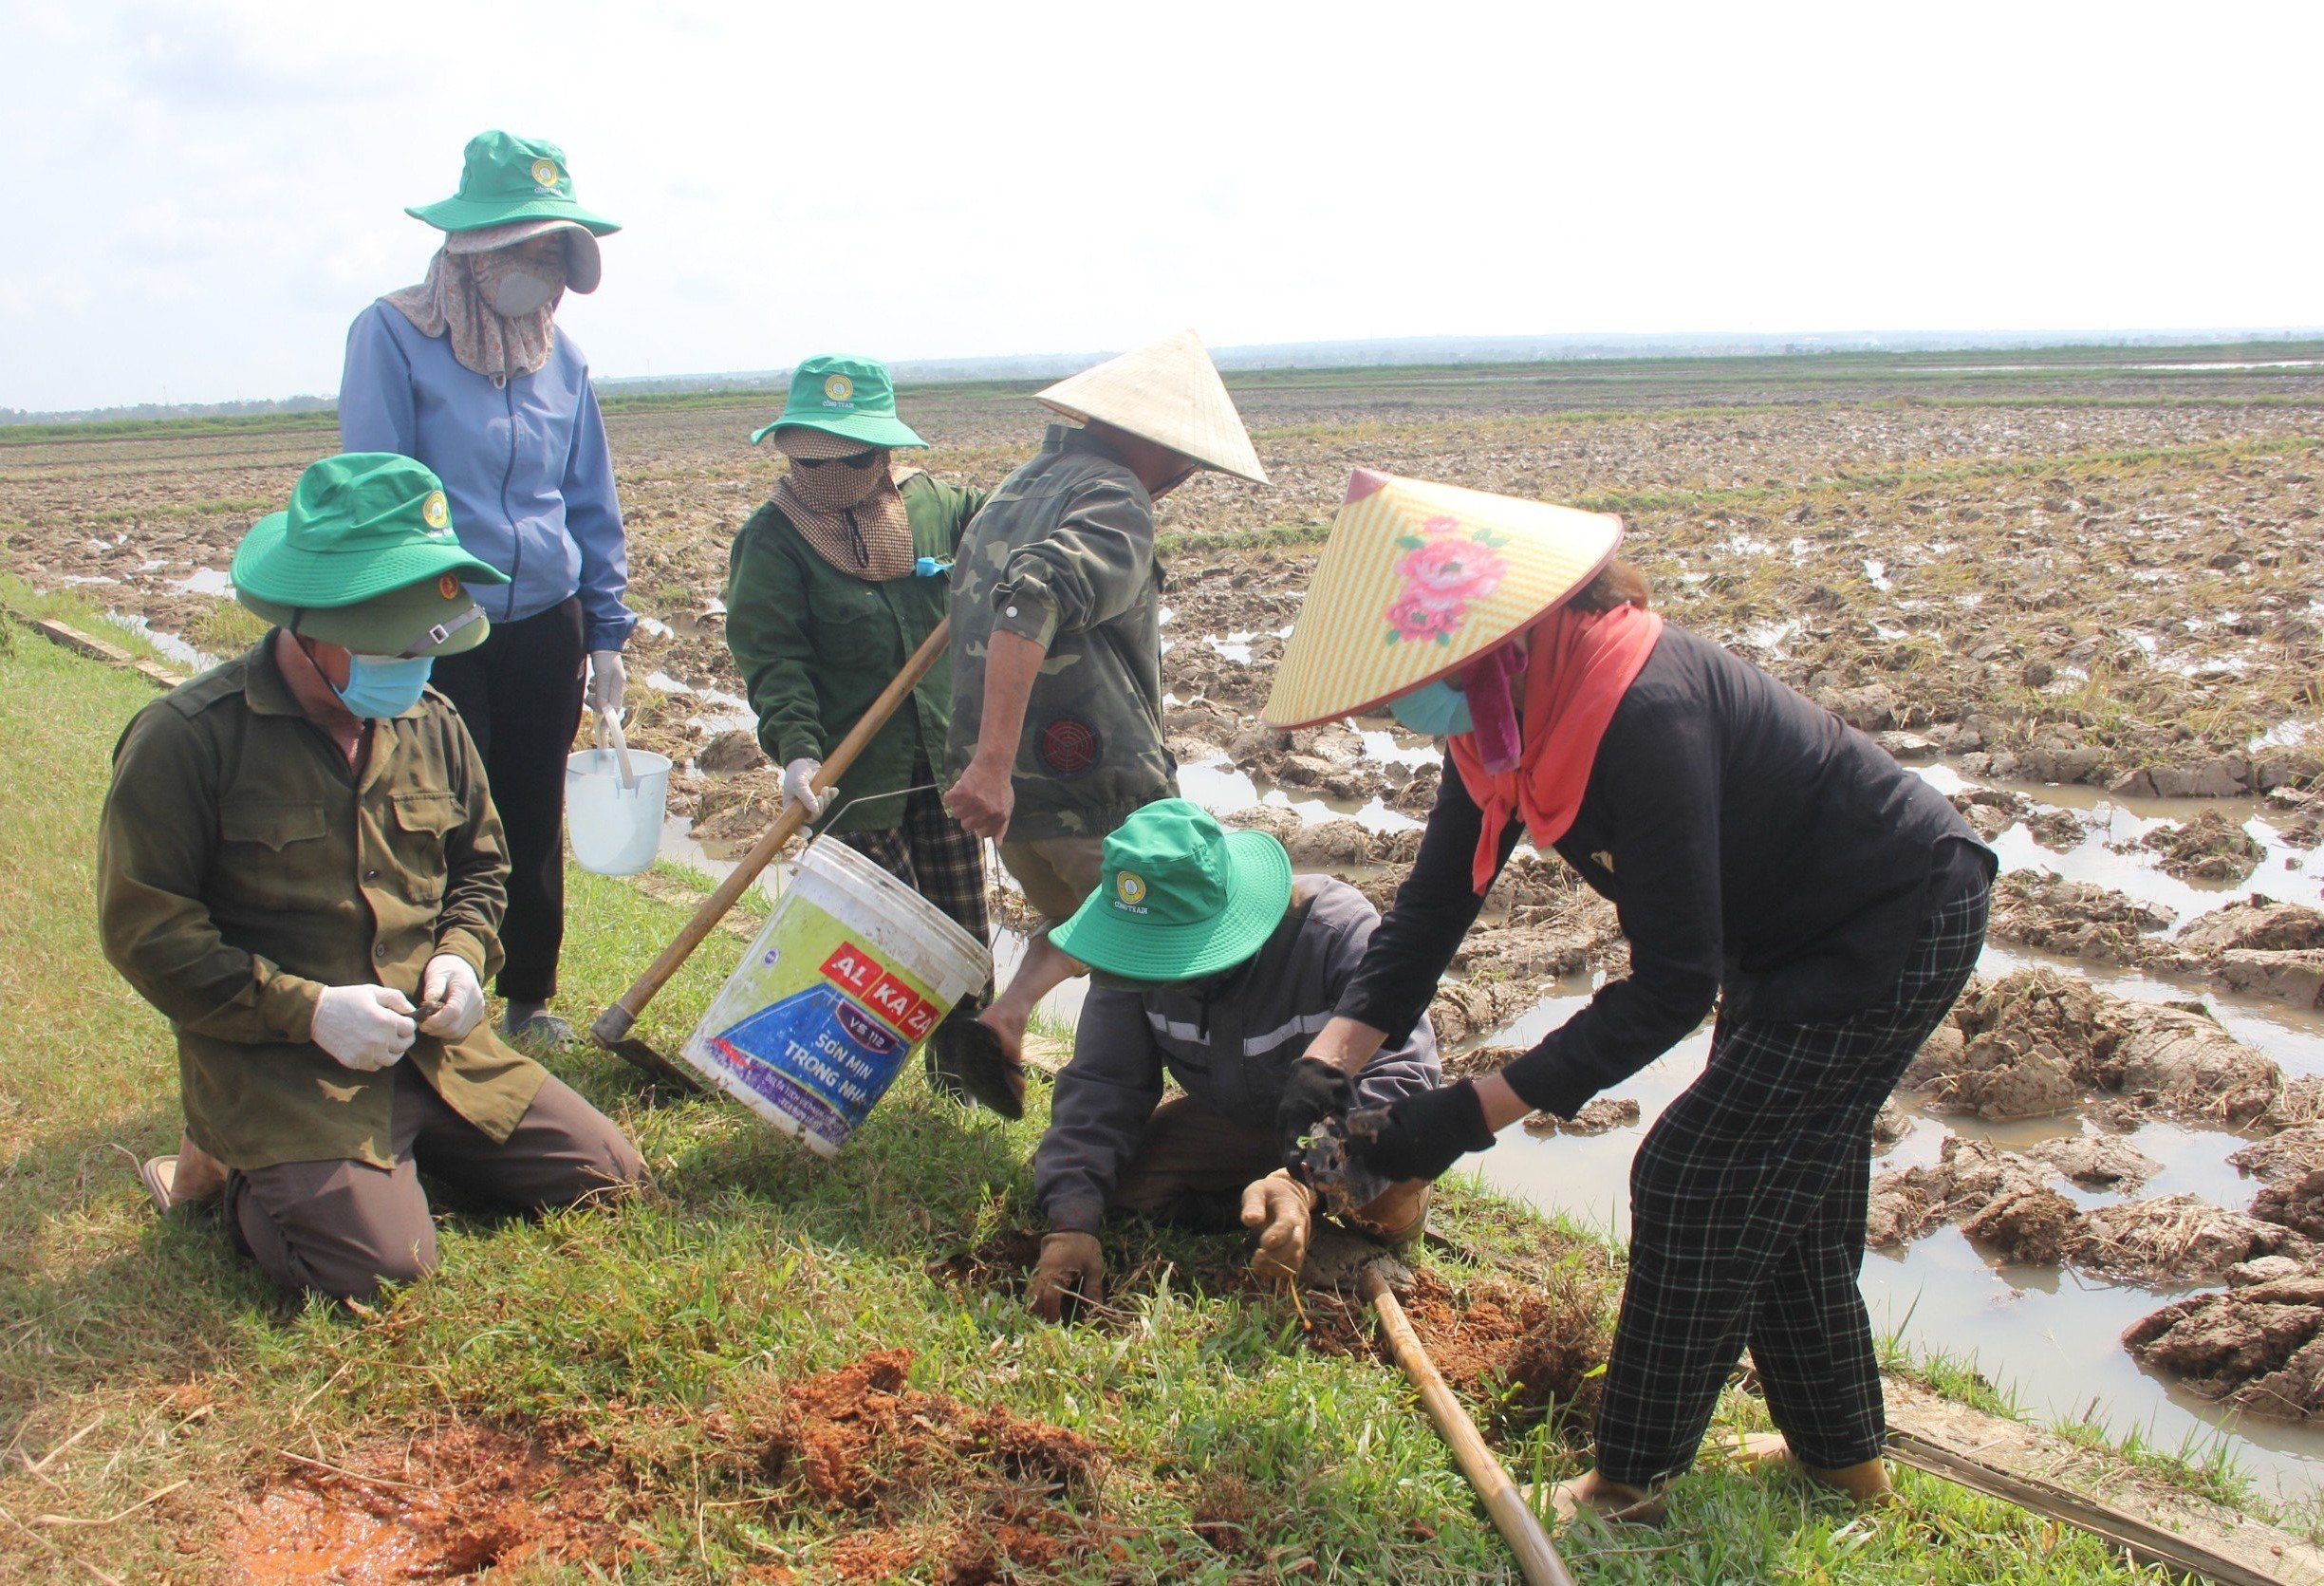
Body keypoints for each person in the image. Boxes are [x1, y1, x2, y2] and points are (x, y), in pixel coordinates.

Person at [1261, 469, 1994, 1523]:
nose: (1401, 706)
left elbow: (1668, 988)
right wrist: (1329, 1059)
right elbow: (1429, 910)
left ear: (1494, 642)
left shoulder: (1637, 709)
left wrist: (1452, 1121)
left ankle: (1627, 1484)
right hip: (1778, 930)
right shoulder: (1502, 727)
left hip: (1889, 917)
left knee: (1696, 1176)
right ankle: (1844, 1469)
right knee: (1778, 1197)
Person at [98, 455, 647, 1300]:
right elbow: (148, 932)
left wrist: (464, 957)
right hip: (286, 1067)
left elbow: (482, 865)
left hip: (432, 1049)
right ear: (310, 622)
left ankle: (401, 1156)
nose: (415, 667)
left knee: (613, 1176)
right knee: (384, 1273)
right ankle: (231, 1165)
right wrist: (311, 1010)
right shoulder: (189, 740)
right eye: (390, 643)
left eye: (427, 643)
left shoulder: (432, 720)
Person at [339, 129, 634, 1047]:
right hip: (441, 618)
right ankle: (423, 987)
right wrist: (394, 615)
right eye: (533, 250)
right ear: (477, 249)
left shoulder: (563, 359)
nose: (544, 274)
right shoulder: (394, 335)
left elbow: (588, 498)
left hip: (546, 615)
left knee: (528, 803)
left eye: (557, 256)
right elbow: (379, 486)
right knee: (430, 806)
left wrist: (606, 632)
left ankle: (529, 994)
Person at [938, 331, 1269, 1111]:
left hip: (1020, 801)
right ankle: (1143, 1122)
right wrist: (989, 762)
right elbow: (1032, 598)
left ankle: (1011, 1014)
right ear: (1161, 446)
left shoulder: (1018, 486)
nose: (1185, 479)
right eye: (1188, 461)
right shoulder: (1116, 497)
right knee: (1173, 949)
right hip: (1092, 789)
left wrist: (989, 766)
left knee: (1088, 926)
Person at [1025, 800, 1441, 1320]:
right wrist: (1071, 1224)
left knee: (1386, 1192)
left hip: (1341, 1126)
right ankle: (1259, 1213)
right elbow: (1102, 1082)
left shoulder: (1339, 936)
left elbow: (1407, 1081)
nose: (1154, 977)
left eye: (1171, 957)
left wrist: (1310, 1180)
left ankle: (1355, 1212)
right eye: (1143, 955)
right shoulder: (1131, 963)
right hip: (1239, 1122)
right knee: (1118, 1187)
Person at [724, 356, 994, 1099]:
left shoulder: (934, 504)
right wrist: (799, 753)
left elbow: (1007, 525)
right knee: (890, 947)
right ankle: (820, 1080)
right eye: (810, 458)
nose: (828, 473)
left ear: (880, 454)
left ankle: (963, 1086)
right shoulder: (772, 541)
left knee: (962, 932)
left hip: (942, 765)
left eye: (847, 457)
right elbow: (773, 658)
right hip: (856, 776)